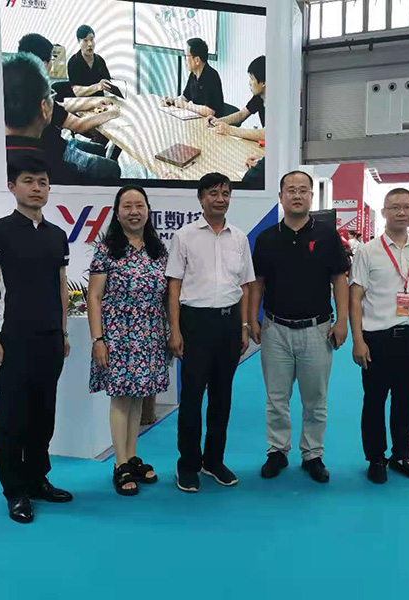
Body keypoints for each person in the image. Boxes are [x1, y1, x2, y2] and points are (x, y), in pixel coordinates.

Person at [0, 154, 73, 524]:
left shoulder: (57, 236)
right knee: (13, 419)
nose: (37, 188)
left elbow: (62, 289)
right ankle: (15, 490)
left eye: (43, 182)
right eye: (29, 181)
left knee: (44, 416)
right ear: (12, 186)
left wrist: (63, 333)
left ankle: (37, 479)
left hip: (50, 341)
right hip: (12, 340)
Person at [248, 171, 350, 484]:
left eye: (303, 190)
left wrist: (342, 320)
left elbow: (339, 279)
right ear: (281, 197)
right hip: (275, 329)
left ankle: (312, 454)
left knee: (315, 399)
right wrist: (252, 318)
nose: (297, 195)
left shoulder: (327, 236)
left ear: (311, 197)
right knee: (276, 399)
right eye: (290, 190)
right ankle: (277, 451)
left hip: (317, 329)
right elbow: (257, 283)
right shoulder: (266, 238)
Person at [166, 173, 255, 493]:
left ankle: (213, 461)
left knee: (222, 397)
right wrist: (175, 330)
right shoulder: (184, 236)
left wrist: (243, 326)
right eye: (214, 193)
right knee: (192, 398)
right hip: (195, 324)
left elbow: (245, 286)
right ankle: (188, 464)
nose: (221, 199)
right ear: (201, 198)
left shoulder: (239, 238)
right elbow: (174, 286)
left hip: (229, 324)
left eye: (226, 193)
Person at [349, 188, 409, 485]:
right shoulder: (367, 251)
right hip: (377, 338)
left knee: (406, 400)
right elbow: (355, 297)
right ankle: (376, 458)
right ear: (384, 212)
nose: (402, 212)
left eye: (407, 207)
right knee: (374, 401)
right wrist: (358, 340)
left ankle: (402, 456)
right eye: (395, 207)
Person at [87, 185, 169, 496]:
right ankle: (119, 463)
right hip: (118, 335)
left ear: (148, 210)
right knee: (121, 398)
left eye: (139, 206)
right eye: (127, 206)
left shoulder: (158, 250)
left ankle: (132, 455)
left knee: (138, 397)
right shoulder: (106, 249)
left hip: (149, 334)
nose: (134, 212)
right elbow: (94, 297)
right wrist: (98, 339)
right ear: (117, 212)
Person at [16, 35, 121, 182]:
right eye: (51, 60)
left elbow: (61, 107)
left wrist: (93, 104)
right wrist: (112, 113)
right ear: (43, 63)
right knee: (112, 168)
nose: (89, 44)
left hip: (56, 144)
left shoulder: (24, 87)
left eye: (92, 40)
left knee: (99, 149)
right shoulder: (37, 95)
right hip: (56, 155)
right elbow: (79, 125)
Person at [207, 55, 266, 188]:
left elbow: (266, 133)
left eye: (252, 78)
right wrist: (218, 121)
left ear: (263, 82)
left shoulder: (276, 102)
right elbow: (241, 115)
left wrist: (230, 130)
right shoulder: (259, 98)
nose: (249, 83)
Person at [162, 38, 225, 118]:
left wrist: (186, 106)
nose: (184, 60)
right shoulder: (193, 75)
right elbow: (184, 98)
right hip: (198, 120)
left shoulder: (211, 76)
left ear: (197, 60)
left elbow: (210, 111)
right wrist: (172, 101)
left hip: (213, 122)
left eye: (186, 56)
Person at [67, 25, 114, 98]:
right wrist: (97, 87)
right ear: (79, 41)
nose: (90, 44)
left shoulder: (99, 60)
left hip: (100, 101)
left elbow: (108, 82)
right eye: (85, 40)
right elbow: (77, 92)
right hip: (82, 102)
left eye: (92, 40)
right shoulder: (73, 62)